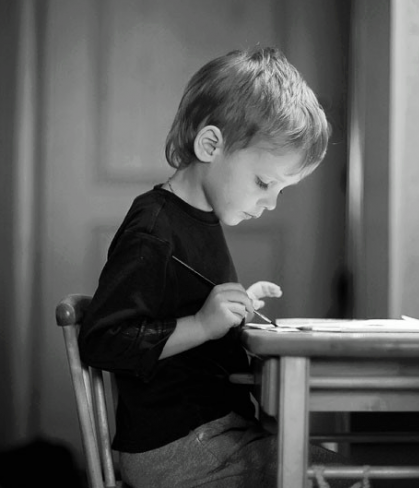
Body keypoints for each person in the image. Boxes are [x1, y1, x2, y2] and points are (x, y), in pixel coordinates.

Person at [79, 47, 349, 488]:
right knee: (329, 475)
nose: (270, 203)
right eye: (264, 182)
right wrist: (203, 325)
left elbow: (184, 306)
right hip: (175, 448)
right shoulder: (154, 230)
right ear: (211, 145)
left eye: (282, 190)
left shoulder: (201, 219)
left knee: (333, 469)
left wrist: (233, 311)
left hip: (218, 432)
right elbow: (102, 341)